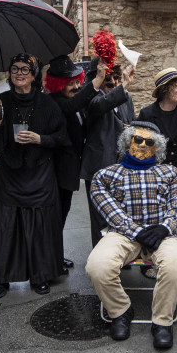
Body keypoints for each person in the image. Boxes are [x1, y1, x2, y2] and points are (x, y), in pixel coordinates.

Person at [86, 122, 177, 350]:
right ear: (126, 142)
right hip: (123, 234)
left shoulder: (171, 173)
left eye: (149, 142)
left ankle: (162, 322)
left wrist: (164, 227)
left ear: (157, 147)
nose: (142, 145)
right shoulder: (105, 175)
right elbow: (109, 209)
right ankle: (120, 311)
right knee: (97, 266)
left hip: (161, 233)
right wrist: (136, 231)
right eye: (137, 140)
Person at [0, 53, 68, 299]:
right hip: (10, 173)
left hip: (39, 173)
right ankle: (1, 279)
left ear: (34, 75)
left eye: (25, 69)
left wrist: (40, 139)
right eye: (15, 69)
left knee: (40, 226)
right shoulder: (1, 101)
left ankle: (40, 275)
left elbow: (62, 138)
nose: (19, 73)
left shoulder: (47, 104)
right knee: (7, 225)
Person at [43, 54, 107, 272]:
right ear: (58, 84)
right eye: (69, 83)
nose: (76, 86)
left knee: (61, 216)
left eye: (76, 81)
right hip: (56, 171)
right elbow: (74, 105)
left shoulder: (72, 101)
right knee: (55, 218)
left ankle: (56, 258)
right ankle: (51, 262)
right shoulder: (55, 102)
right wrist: (97, 80)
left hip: (68, 171)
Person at [81, 63, 135, 246]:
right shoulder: (92, 99)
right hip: (99, 166)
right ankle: (100, 259)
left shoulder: (126, 99)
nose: (115, 85)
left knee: (122, 213)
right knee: (99, 217)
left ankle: (120, 255)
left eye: (117, 81)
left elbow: (129, 123)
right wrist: (124, 85)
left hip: (122, 166)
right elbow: (101, 106)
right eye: (109, 84)